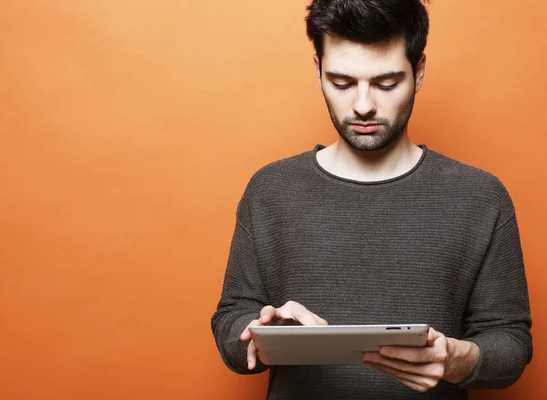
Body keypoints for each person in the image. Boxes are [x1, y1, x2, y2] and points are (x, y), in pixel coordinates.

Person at [211, 0, 533, 398]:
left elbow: (511, 343)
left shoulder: (480, 196)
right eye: (342, 83)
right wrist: (266, 333)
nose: (363, 106)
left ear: (418, 72)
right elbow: (230, 321)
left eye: (386, 83)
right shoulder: (270, 189)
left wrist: (457, 359)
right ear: (318, 71)